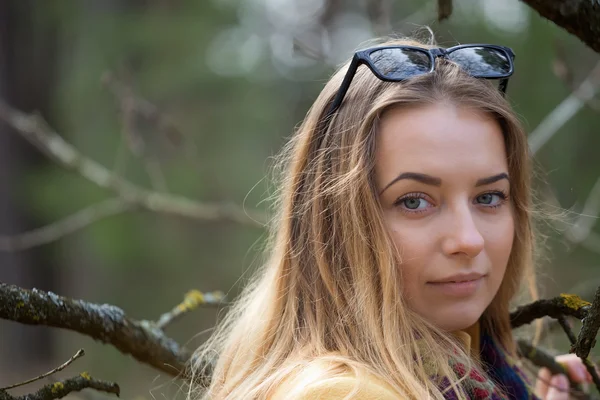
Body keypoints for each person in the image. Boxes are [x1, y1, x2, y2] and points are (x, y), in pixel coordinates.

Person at [188, 36, 593, 399]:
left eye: (488, 196)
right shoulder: (343, 394)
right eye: (415, 202)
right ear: (335, 224)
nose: (468, 239)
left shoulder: (474, 375)